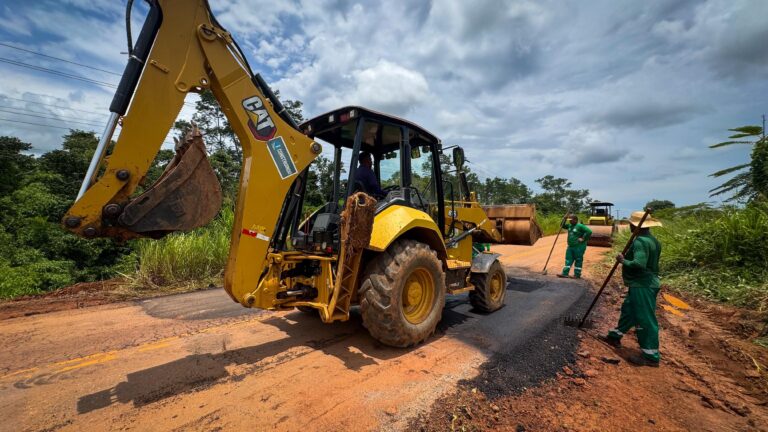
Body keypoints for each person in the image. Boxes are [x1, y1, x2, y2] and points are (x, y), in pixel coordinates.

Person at [601, 211, 663, 367]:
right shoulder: (653, 240)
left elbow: (639, 264)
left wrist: (623, 260)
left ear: (634, 225)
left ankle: (651, 356)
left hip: (643, 284)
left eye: (630, 224)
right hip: (643, 283)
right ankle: (615, 336)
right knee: (629, 310)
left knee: (644, 318)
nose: (629, 226)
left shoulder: (640, 241)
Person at [557, 214, 592, 279]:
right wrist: (564, 219)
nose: (570, 222)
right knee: (568, 259)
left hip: (579, 246)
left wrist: (583, 238)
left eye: (571, 220)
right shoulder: (570, 226)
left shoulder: (580, 226)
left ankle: (577, 274)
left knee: (578, 260)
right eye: (569, 220)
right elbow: (562, 225)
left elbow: (589, 231)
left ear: (575, 220)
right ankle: (565, 273)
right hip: (570, 246)